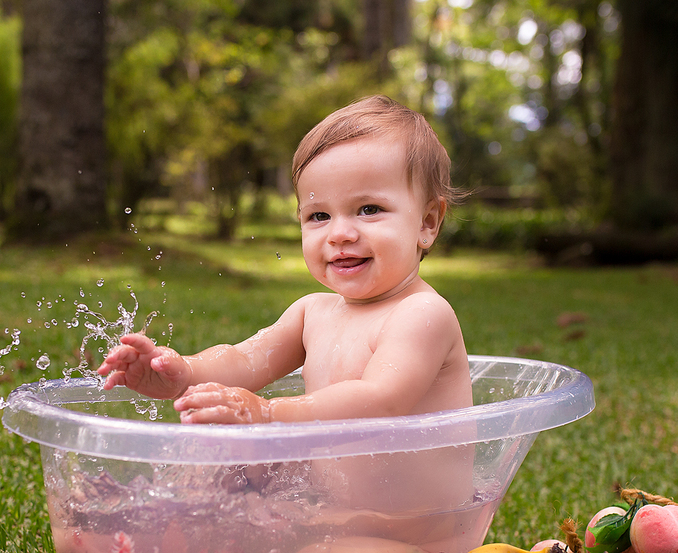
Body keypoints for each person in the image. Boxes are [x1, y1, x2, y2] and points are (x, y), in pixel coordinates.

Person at [98, 95, 472, 425]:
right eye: (319, 216)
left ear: (427, 223)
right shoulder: (311, 314)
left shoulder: (422, 314)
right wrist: (181, 372)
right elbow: (243, 361)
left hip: (409, 490)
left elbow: (380, 401)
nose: (339, 234)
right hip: (328, 487)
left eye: (369, 209)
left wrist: (268, 413)